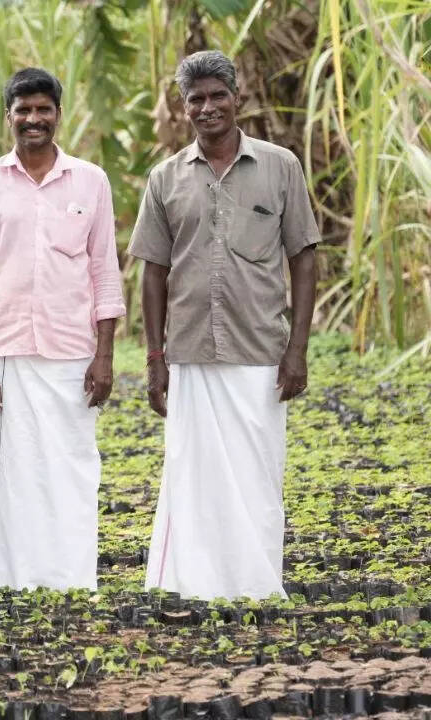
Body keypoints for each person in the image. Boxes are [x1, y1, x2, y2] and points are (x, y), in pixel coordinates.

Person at [129, 50, 319, 601]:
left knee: (258, 473)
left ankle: (255, 585)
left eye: (218, 96)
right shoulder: (165, 177)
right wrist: (155, 358)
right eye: (196, 99)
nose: (207, 107)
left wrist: (297, 349)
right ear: (183, 107)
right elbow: (153, 272)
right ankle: (193, 584)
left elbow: (304, 257)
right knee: (193, 475)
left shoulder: (280, 166)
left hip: (260, 349)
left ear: (239, 98)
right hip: (189, 351)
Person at [0, 68, 126, 593]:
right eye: (23, 110)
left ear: (58, 114)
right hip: (4, 356)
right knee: (6, 476)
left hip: (73, 356)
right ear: (8, 116)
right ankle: (1, 583)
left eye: (43, 109)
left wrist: (104, 356)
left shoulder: (91, 181)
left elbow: (105, 272)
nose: (33, 119)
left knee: (71, 470)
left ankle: (69, 581)